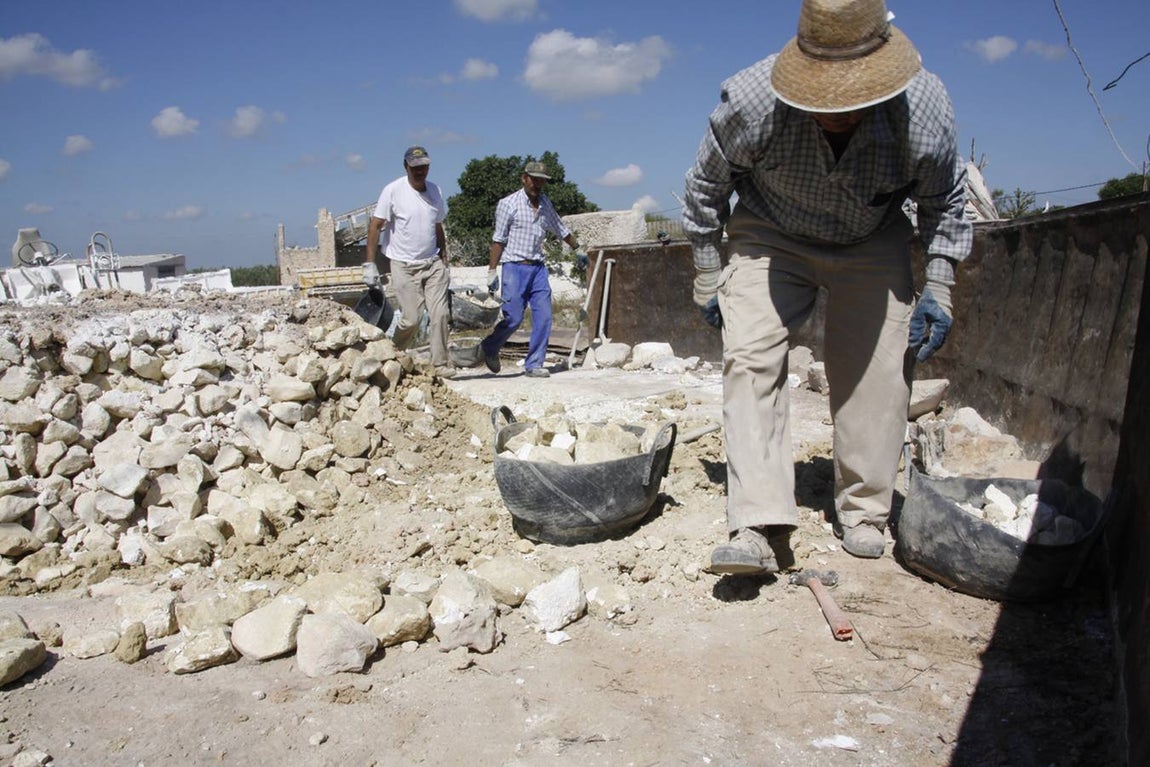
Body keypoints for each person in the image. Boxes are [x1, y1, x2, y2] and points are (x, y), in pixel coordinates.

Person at [682, 0, 972, 571]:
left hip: (872, 236)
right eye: (820, 98)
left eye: (851, 101)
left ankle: (864, 509)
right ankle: (756, 522)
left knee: (882, 371)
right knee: (750, 358)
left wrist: (940, 284)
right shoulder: (750, 100)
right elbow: (705, 189)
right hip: (770, 232)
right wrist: (710, 273)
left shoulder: (926, 109)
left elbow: (945, 201)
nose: (835, 113)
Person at [473, 161, 587, 378]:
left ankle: (534, 364)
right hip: (514, 268)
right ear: (524, 178)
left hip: (538, 269)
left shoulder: (545, 204)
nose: (537, 184)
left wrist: (578, 249)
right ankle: (490, 346)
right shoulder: (509, 204)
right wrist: (491, 271)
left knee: (544, 317)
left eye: (541, 180)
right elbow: (498, 240)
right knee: (513, 319)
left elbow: (560, 228)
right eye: (534, 179)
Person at [365, 146, 455, 378]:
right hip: (403, 265)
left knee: (440, 314)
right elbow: (375, 225)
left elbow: (437, 225)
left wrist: (444, 256)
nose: (420, 171)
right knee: (411, 320)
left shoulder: (435, 191)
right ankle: (394, 351)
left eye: (423, 166)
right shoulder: (393, 191)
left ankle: (440, 363)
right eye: (415, 167)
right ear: (406, 167)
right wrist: (369, 264)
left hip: (432, 262)